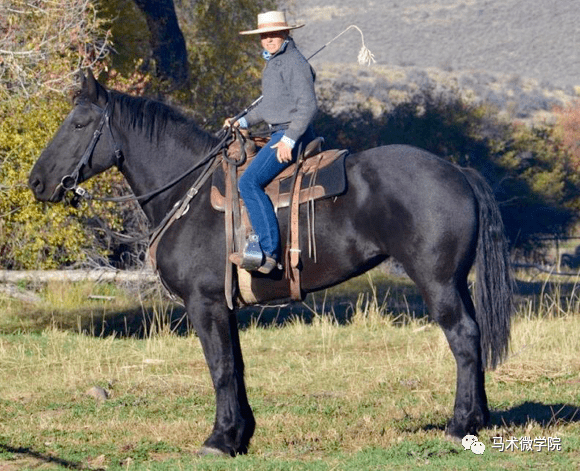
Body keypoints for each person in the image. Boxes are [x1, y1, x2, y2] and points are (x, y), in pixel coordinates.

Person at [225, 11, 318, 274]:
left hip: (291, 135)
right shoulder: (276, 62)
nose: (268, 40)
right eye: (264, 35)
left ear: (286, 33)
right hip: (280, 130)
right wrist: (241, 122)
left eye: (273, 34)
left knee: (248, 182)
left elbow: (308, 107)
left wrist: (289, 139)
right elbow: (269, 106)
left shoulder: (293, 62)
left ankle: (268, 253)